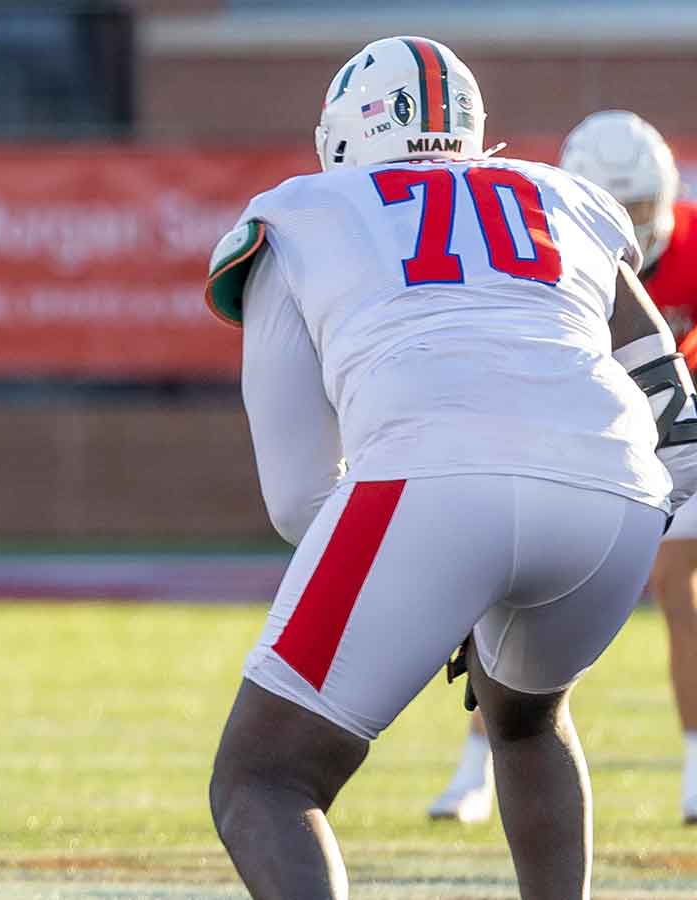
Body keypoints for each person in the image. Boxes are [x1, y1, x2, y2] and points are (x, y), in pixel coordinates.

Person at [204, 36, 697, 898]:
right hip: (616, 494)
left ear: (345, 133)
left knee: (265, 780)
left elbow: (296, 496)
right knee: (528, 722)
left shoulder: (298, 214)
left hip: (429, 483)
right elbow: (674, 408)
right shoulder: (565, 196)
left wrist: (430, 582)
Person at [429, 109, 697, 826]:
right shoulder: (539, 252)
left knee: (681, 585)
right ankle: (474, 768)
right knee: (515, 601)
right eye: (617, 209)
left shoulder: (693, 246)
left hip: (681, 439)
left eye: (642, 208)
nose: (633, 226)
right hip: (583, 438)